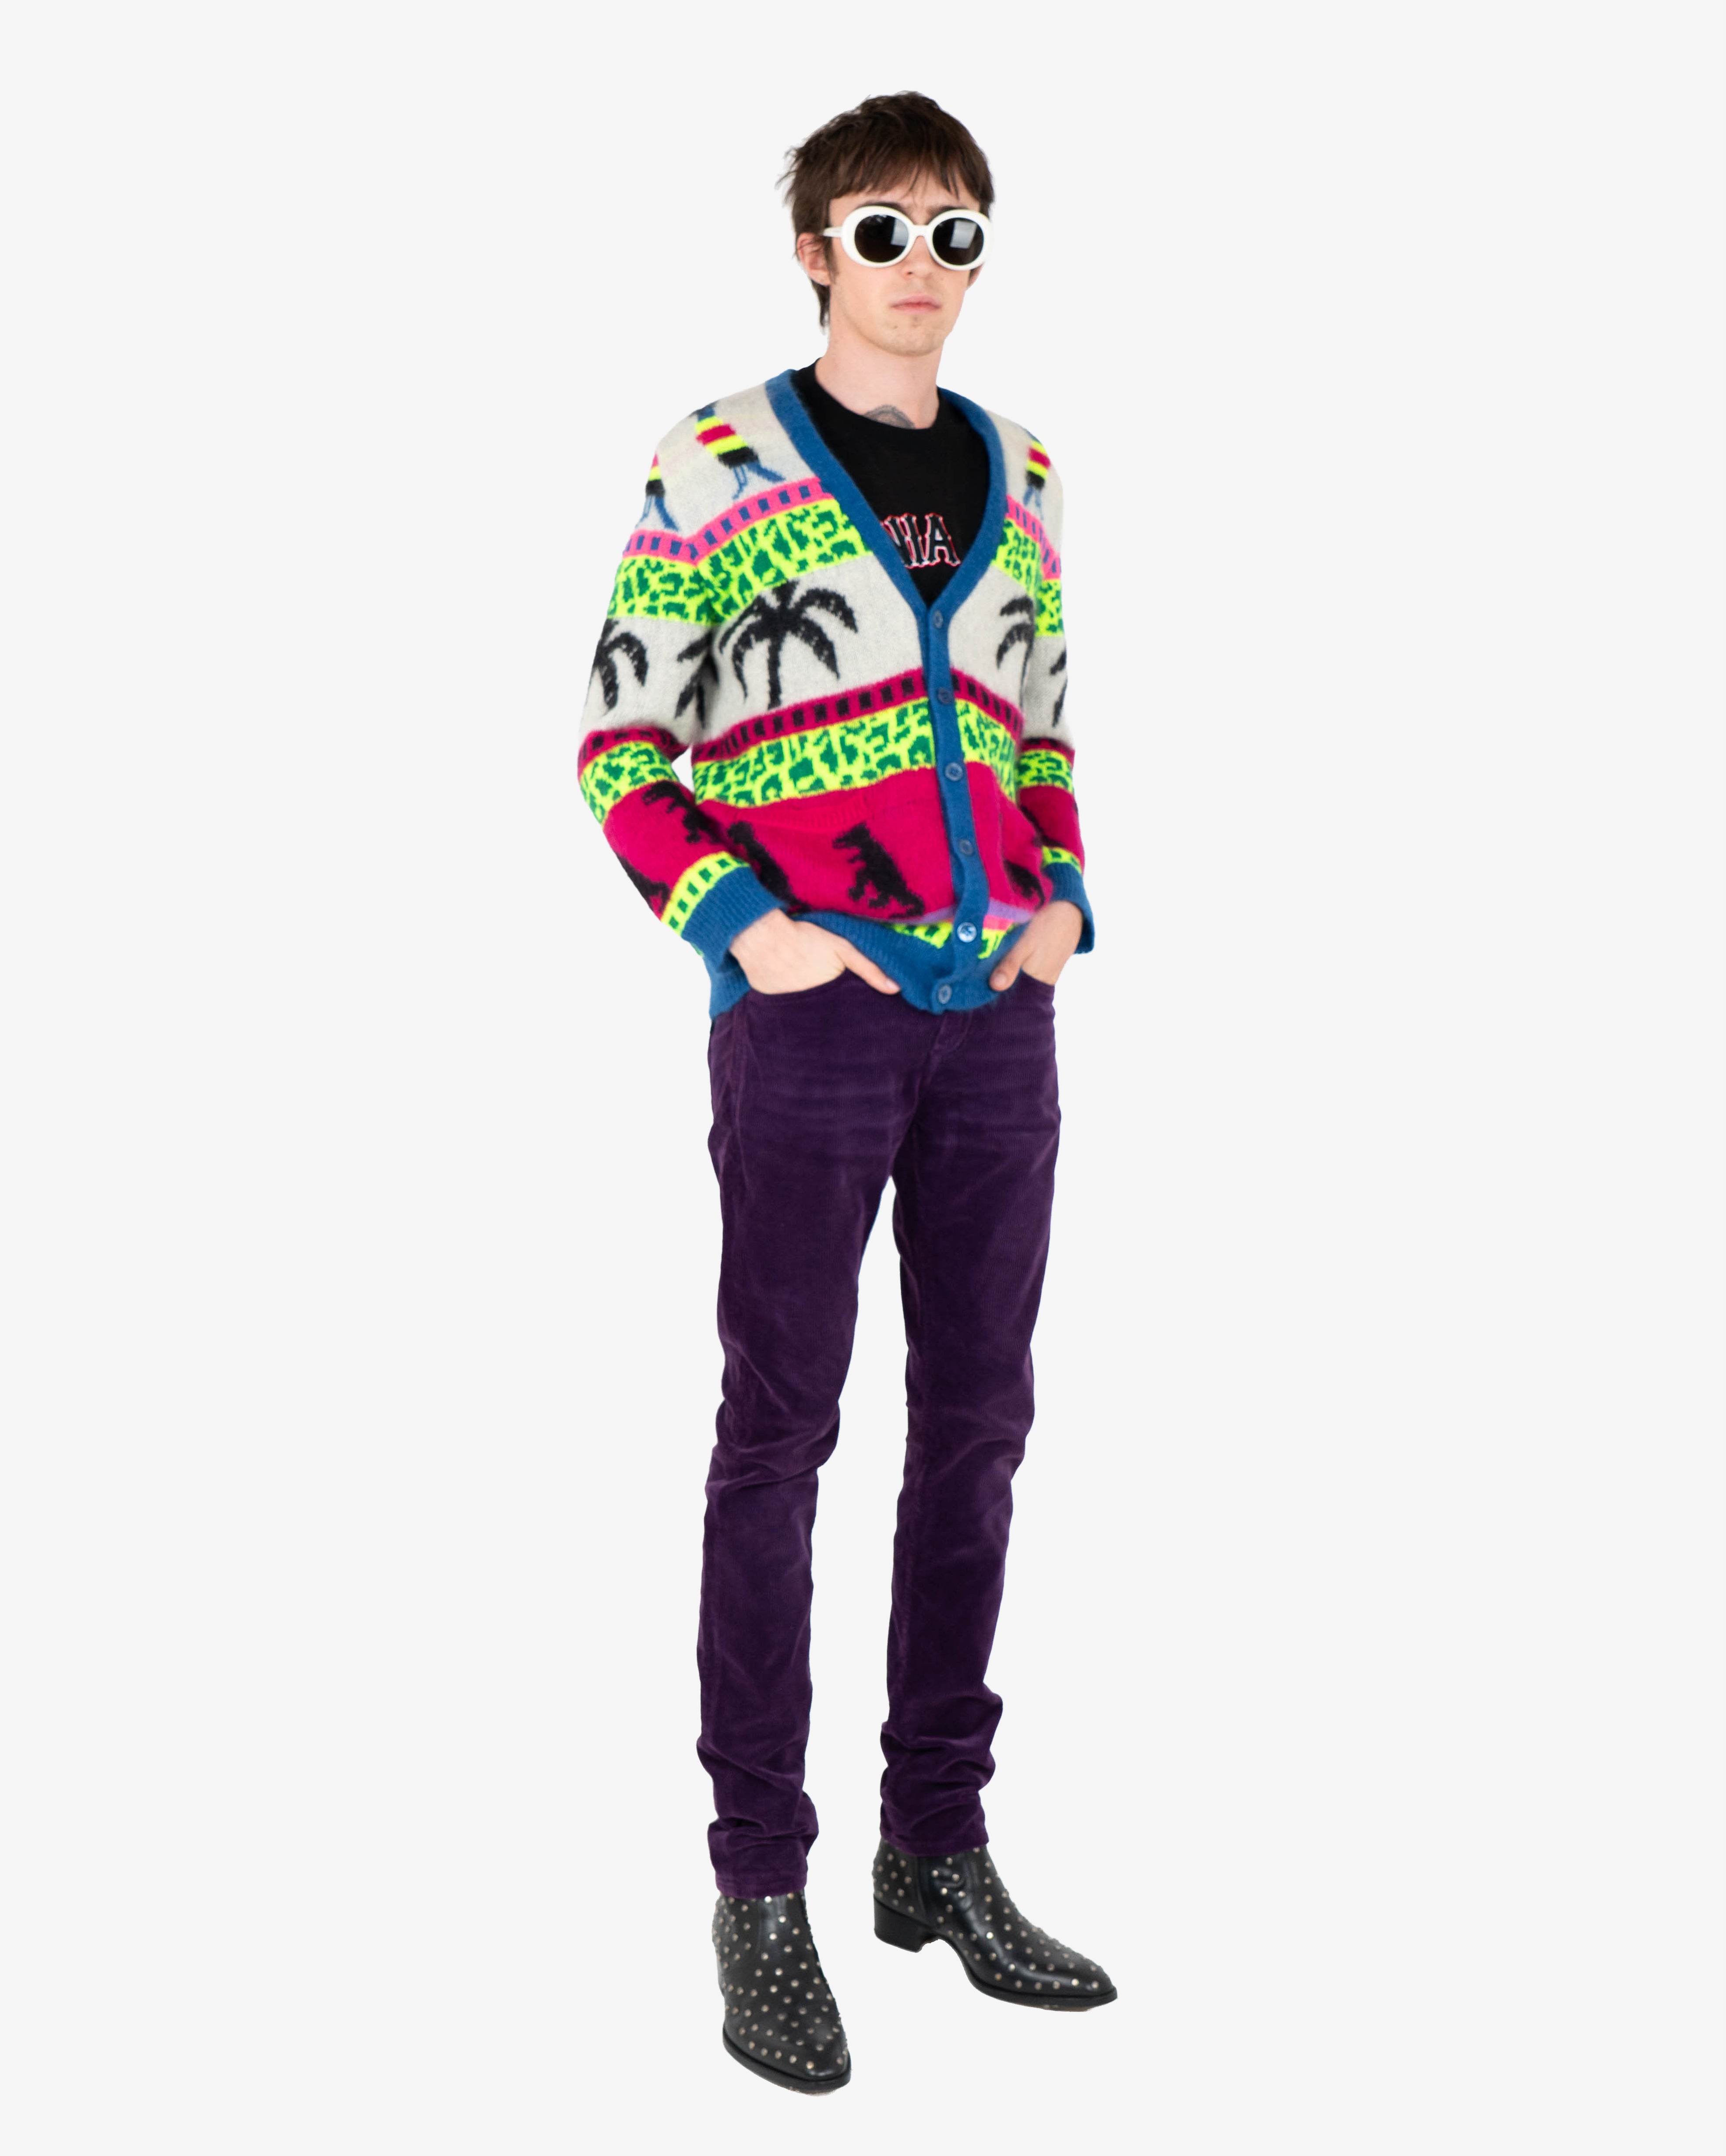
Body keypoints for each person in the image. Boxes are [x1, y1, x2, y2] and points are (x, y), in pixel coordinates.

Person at [579, 91, 1115, 2094]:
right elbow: (621, 745)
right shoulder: (715, 459)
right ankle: (757, 1886)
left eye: (952, 230)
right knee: (779, 1433)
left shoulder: (1023, 468)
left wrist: (1059, 904)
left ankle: (934, 1847)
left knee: (977, 1425)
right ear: (815, 251)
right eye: (881, 228)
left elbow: (1039, 724)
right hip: (809, 1024)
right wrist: (753, 930)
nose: (919, 263)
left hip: (999, 1018)